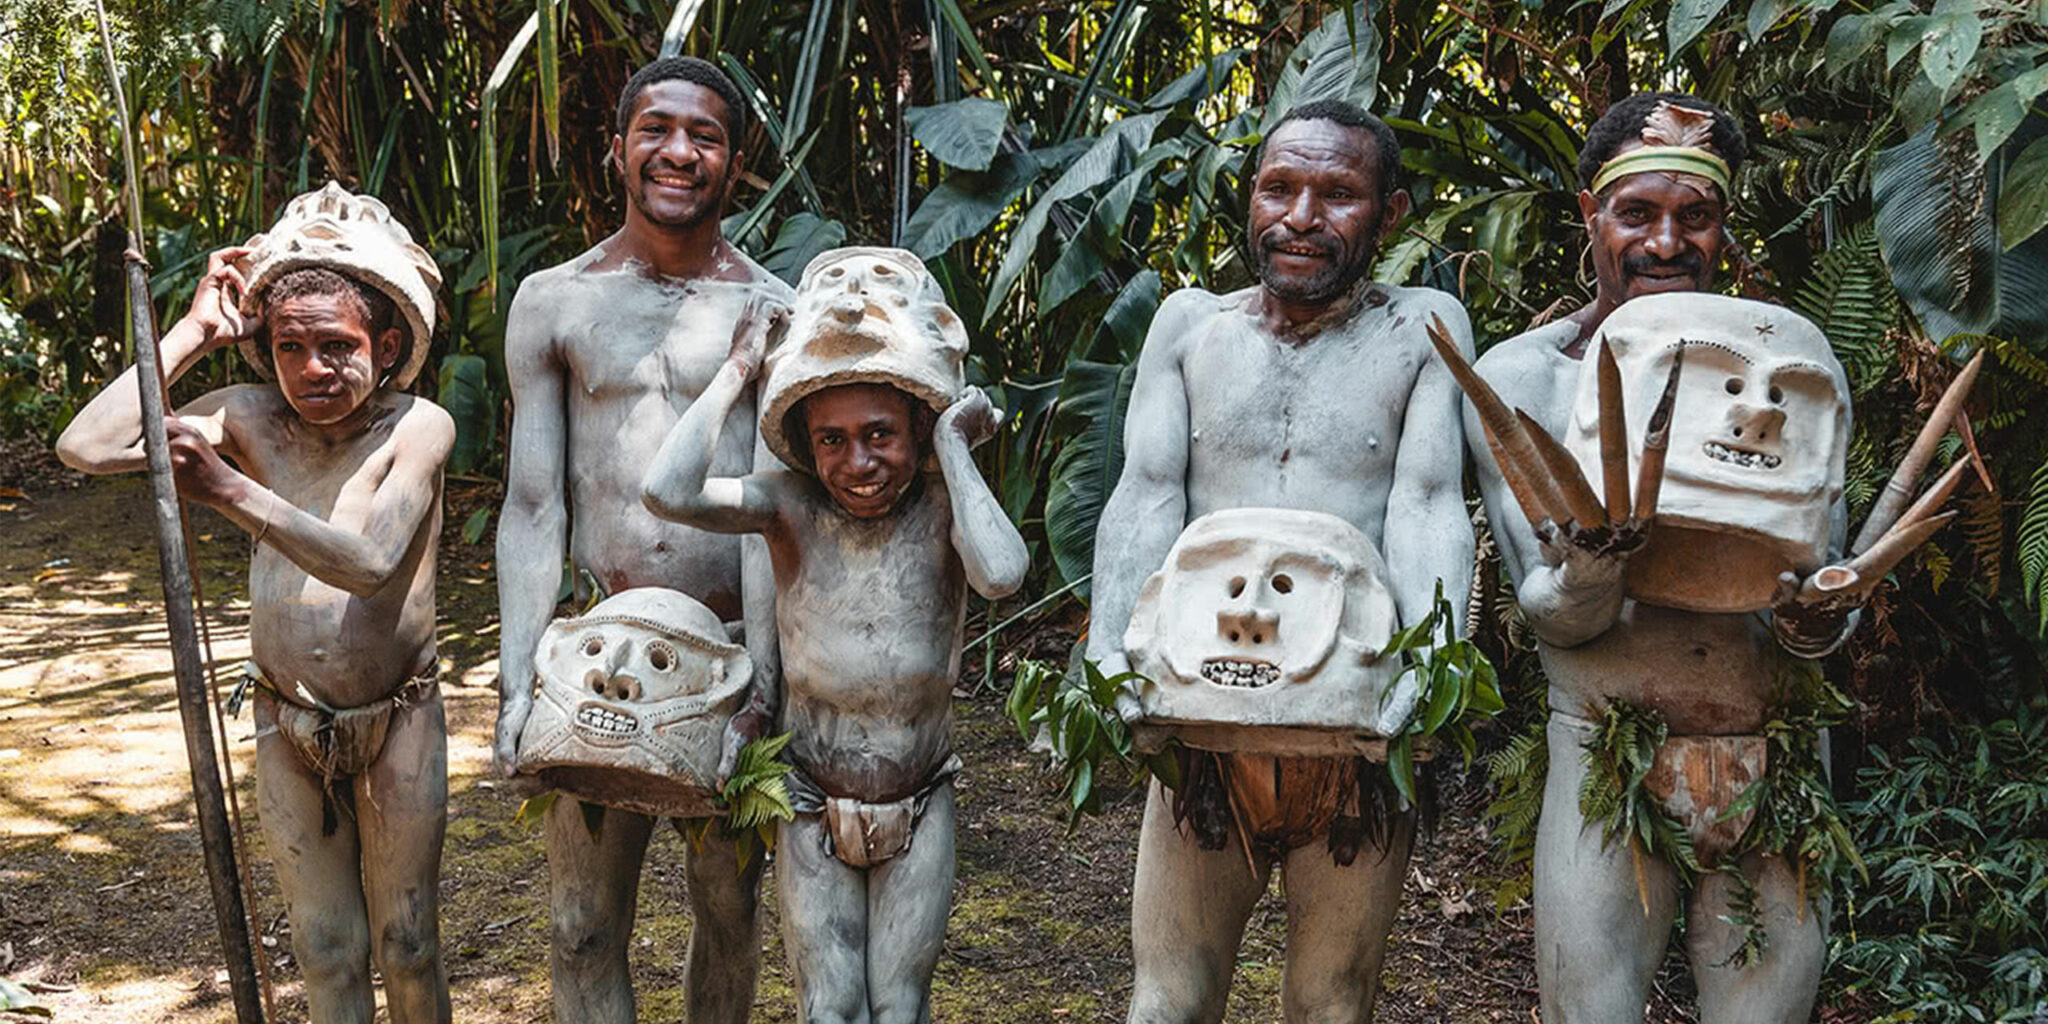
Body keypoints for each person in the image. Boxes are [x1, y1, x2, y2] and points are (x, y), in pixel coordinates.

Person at [1463, 91, 1853, 1022]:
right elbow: (1552, 612)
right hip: (1607, 748)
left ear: (1725, 228)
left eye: (1696, 217)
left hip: (1777, 751)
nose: (1667, 243)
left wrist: (1819, 617)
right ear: (1592, 217)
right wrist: (1592, 568)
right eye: (1637, 213)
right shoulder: (1526, 382)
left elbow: (1817, 587)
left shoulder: (1789, 371)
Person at [1086, 99, 1475, 1023]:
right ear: (1251, 198)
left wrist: (1431, 663)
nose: (1301, 217)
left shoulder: (1422, 331)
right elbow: (1146, 493)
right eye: (1280, 188)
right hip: (1205, 725)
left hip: (1351, 731)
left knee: (1332, 1005)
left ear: (1391, 214)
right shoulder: (1189, 327)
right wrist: (1109, 651)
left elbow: (1426, 504)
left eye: (1337, 194)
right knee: (1165, 1001)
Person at [55, 182, 453, 1024]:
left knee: (409, 946)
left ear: (385, 346)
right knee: (325, 948)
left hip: (400, 717)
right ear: (265, 349)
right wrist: (195, 331)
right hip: (287, 721)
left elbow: (370, 562)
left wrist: (229, 490)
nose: (314, 369)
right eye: (290, 347)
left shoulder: (416, 427)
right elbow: (86, 447)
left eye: (338, 346)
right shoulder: (249, 418)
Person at [640, 246, 1029, 1024]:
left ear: (917, 424)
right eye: (832, 440)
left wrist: (952, 449)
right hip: (812, 799)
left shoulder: (941, 504)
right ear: (807, 445)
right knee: (828, 1008)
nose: (859, 462)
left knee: (898, 1005)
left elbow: (1002, 574)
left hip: (919, 799)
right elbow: (666, 489)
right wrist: (739, 372)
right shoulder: (789, 505)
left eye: (880, 434)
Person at [491, 55, 789, 1022]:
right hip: (593, 652)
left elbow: (768, 506)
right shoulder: (554, 300)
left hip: (728, 651)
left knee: (730, 909)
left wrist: (767, 685)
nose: (678, 152)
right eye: (657, 128)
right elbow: (534, 503)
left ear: (735, 164)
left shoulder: (773, 312)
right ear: (617, 148)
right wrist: (516, 676)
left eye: (704, 136)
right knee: (581, 923)